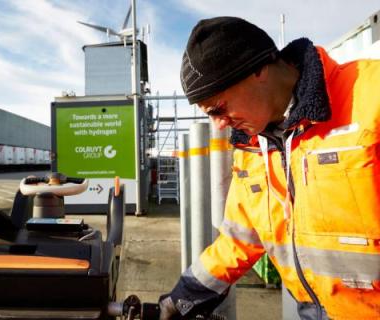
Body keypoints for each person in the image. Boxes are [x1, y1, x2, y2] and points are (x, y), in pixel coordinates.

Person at [159, 16, 380, 320]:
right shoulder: (251, 149)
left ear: (258, 69)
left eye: (218, 108)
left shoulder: (371, 97)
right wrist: (185, 295)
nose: (218, 124)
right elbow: (241, 238)